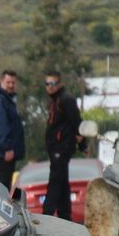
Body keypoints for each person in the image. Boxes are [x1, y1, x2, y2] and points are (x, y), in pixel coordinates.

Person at [41, 71, 81, 220]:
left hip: (62, 147)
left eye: (53, 83)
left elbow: (77, 122)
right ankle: (65, 215)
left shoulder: (66, 99)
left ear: (60, 84)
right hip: (55, 148)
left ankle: (47, 215)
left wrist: (82, 143)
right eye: (47, 84)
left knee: (55, 181)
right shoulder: (55, 101)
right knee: (62, 182)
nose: (50, 87)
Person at [0, 70, 24, 194]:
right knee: (2, 188)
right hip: (3, 153)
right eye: (8, 82)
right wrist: (7, 148)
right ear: (1, 81)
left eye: (13, 82)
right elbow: (0, 126)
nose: (11, 85)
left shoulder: (7, 100)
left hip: (8, 152)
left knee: (6, 186)